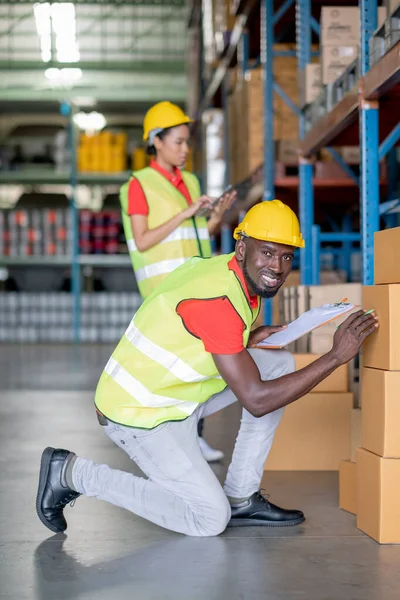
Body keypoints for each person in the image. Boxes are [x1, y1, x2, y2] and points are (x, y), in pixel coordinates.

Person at [36, 200, 378, 537]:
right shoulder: (220, 302)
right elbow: (257, 400)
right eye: (268, 252)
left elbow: (201, 334)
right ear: (242, 249)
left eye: (287, 256)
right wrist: (335, 356)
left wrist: (247, 338)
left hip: (174, 397)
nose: (277, 266)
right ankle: (71, 473)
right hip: (138, 416)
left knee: (278, 363)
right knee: (209, 519)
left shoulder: (227, 272)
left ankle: (241, 496)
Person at [120, 101, 235, 462]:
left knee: (199, 367)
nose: (186, 150)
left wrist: (214, 218)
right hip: (164, 295)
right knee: (173, 370)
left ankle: (192, 436)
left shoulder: (191, 182)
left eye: (188, 143)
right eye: (178, 142)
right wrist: (186, 213)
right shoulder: (138, 185)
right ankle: (171, 439)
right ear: (157, 141)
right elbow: (143, 240)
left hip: (196, 288)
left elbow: (198, 234)